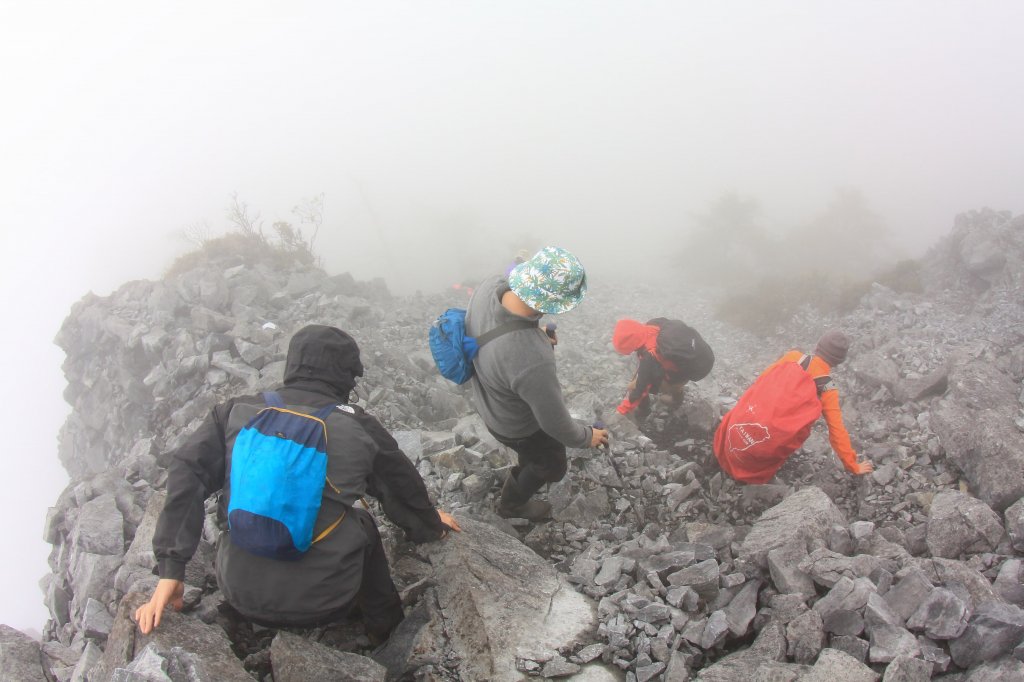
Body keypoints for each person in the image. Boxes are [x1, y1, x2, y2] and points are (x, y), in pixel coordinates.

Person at [134, 325, 459, 642]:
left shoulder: (235, 411)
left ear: (292, 364)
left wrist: (171, 570)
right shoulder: (357, 425)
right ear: (346, 376)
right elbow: (400, 487)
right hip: (326, 600)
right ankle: (386, 629)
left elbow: (186, 472)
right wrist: (429, 524)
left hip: (237, 591)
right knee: (363, 523)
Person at [466, 246, 608, 521]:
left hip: (488, 399)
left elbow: (502, 339)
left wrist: (533, 334)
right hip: (516, 425)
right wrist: (587, 436)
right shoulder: (532, 359)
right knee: (551, 464)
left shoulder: (489, 287)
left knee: (531, 455)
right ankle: (512, 505)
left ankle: (523, 469)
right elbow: (554, 423)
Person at [714, 330, 874, 483]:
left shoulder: (793, 357)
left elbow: (759, 383)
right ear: (839, 361)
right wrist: (853, 465)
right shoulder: (828, 388)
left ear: (818, 346)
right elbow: (837, 431)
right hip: (755, 458)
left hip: (729, 437)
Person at [612, 318, 715, 423]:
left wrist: (621, 411)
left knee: (635, 387)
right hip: (694, 359)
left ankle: (645, 410)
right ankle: (676, 399)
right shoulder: (653, 324)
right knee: (673, 383)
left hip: (681, 371)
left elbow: (641, 388)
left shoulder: (649, 356)